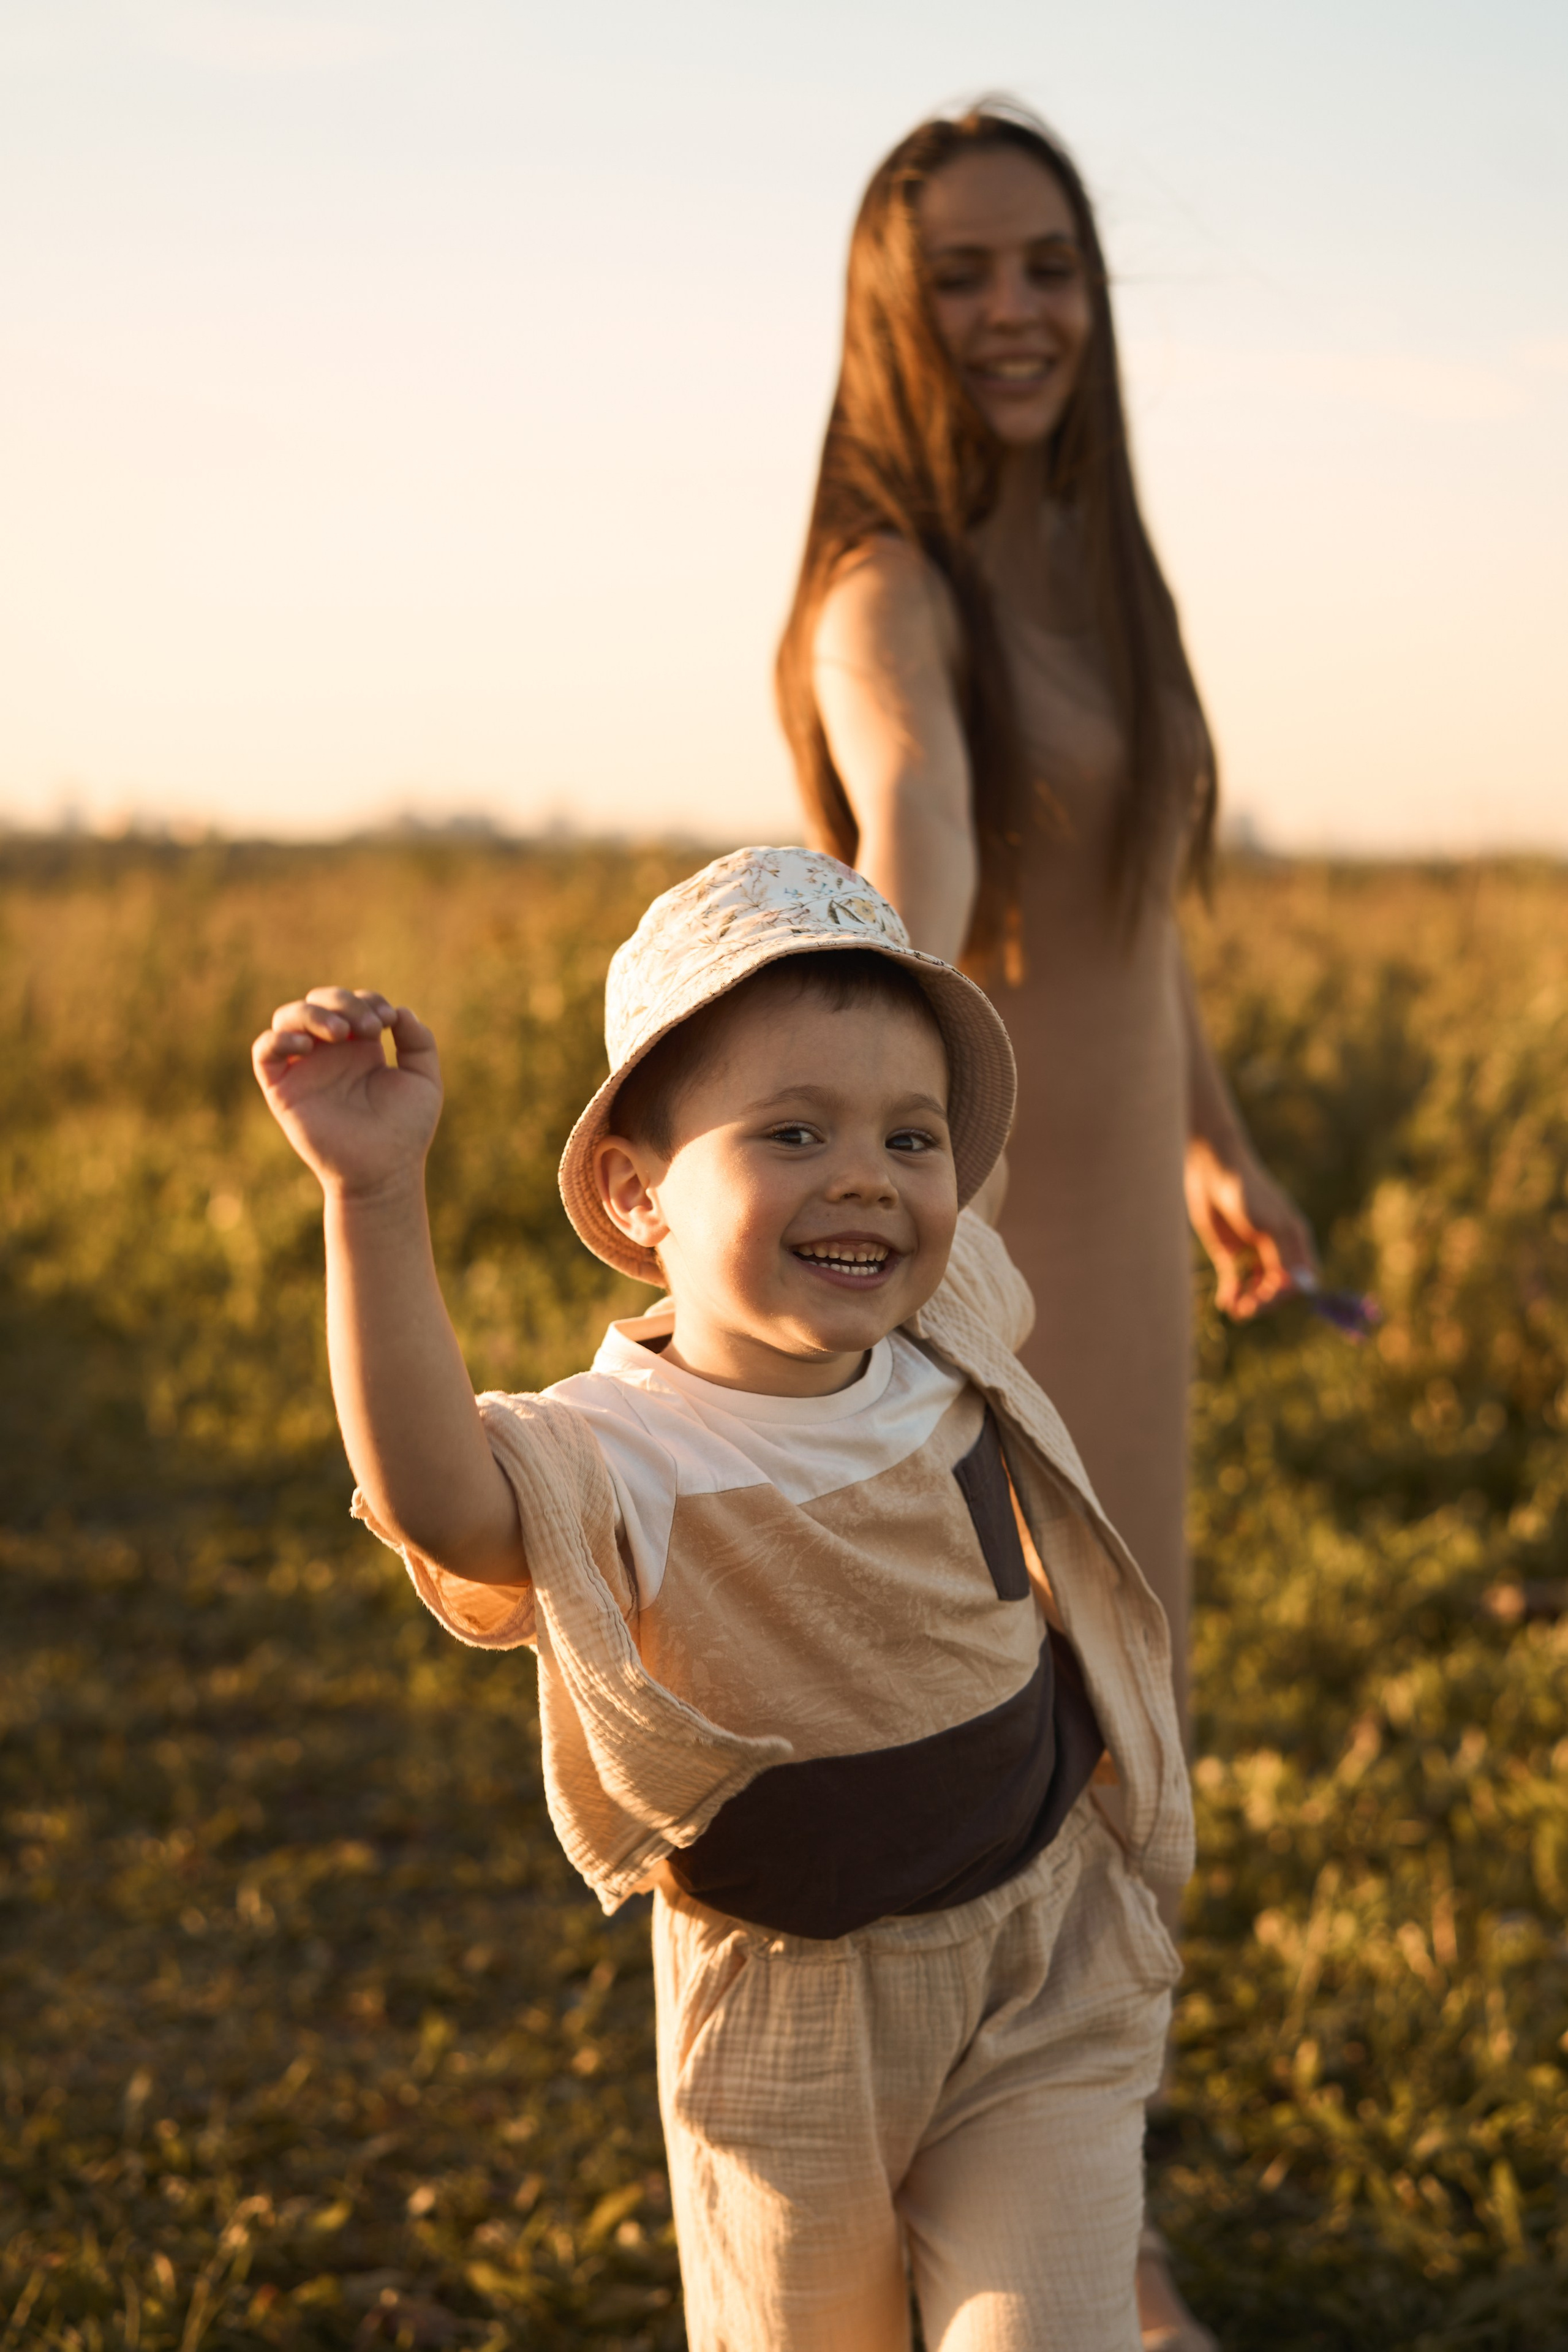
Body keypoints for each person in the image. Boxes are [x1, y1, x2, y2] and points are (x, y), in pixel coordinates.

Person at [252, 845, 1193, 2352]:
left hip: (1035, 1963)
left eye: (908, 1137)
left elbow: (966, 1169)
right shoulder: (622, 1451)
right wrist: (371, 1197)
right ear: (636, 1197)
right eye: (794, 1130)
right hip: (789, 2018)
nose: (866, 1177)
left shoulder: (943, 1323)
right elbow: (439, 1498)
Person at [775, 105, 1311, 2349]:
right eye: (966, 274)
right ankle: (1012, 2255)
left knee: (1119, 1758)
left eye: (1052, 269)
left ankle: (1082, 2219)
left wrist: (1221, 1139)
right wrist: (870, 1212)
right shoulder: (894, 591)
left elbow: (1128, 922)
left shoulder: (1107, 575)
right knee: (995, 1770)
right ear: (893, 314)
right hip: (975, 1262)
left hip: (1122, 1250)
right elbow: (912, 848)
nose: (1014, 313)